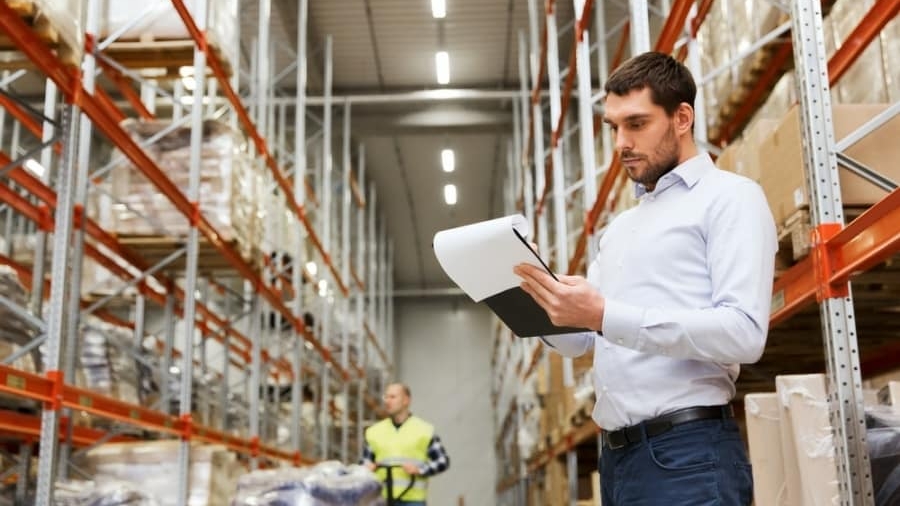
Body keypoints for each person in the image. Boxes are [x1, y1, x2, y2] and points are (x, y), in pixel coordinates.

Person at [514, 51, 777, 505]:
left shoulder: (730, 198)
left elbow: (744, 333)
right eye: (613, 128)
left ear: (682, 118)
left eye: (636, 124)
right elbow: (583, 340)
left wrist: (604, 314)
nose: (621, 143)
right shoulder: (621, 228)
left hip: (687, 455)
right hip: (619, 461)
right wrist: (536, 297)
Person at [360, 382, 450, 505]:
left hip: (413, 501)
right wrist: (366, 469)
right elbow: (364, 463)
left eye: (393, 397)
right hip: (381, 500)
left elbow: (442, 461)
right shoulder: (374, 432)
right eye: (386, 397)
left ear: (406, 400)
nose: (387, 401)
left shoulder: (424, 430)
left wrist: (420, 470)